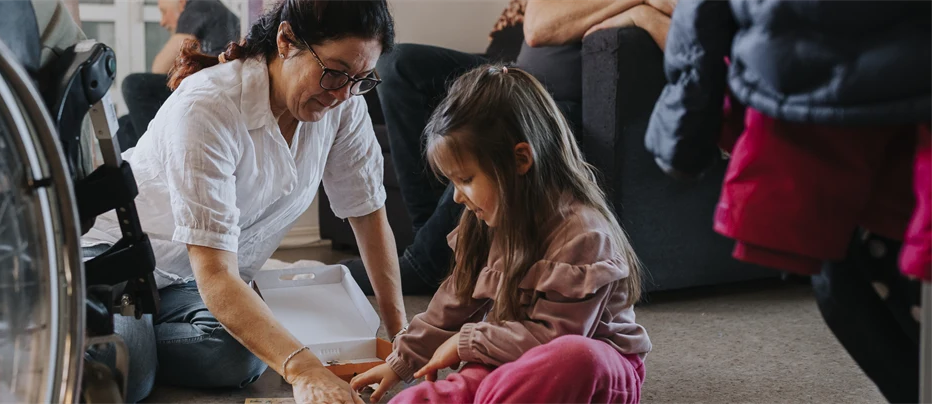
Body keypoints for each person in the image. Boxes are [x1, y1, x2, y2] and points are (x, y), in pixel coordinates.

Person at [80, 0, 406, 402]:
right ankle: (84, 328)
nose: (343, 94)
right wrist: (304, 370)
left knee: (241, 356)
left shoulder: (345, 104)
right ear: (287, 40)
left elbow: (369, 217)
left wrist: (401, 339)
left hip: (187, 277)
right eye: (335, 72)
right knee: (129, 378)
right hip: (118, 257)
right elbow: (217, 274)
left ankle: (131, 337)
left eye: (361, 78)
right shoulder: (210, 106)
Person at [645, 1, 932, 403]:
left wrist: (684, 130)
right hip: (821, 98)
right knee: (847, 281)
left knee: (847, 279)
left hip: (814, 94)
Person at [350, 66, 651, 404]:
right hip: (505, 357)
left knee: (574, 356)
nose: (457, 197)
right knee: (433, 394)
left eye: (465, 179)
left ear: (520, 159)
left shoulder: (584, 234)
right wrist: (401, 362)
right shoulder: (482, 222)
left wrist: (469, 341)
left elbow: (553, 341)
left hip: (592, 372)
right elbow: (450, 305)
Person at [346, 0, 674, 296]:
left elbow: (688, 47)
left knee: (501, 120)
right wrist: (638, 7)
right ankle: (438, 247)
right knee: (398, 64)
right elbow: (538, 26)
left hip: (564, 108)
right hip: (513, 75)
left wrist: (643, 17)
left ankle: (425, 264)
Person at [115, 0, 240, 149]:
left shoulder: (200, 6)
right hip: (211, 93)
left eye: (164, 11)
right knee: (123, 126)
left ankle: (157, 155)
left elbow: (161, 67)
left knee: (135, 85)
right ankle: (136, 169)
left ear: (181, 3)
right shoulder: (217, 12)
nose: (162, 22)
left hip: (210, 95)